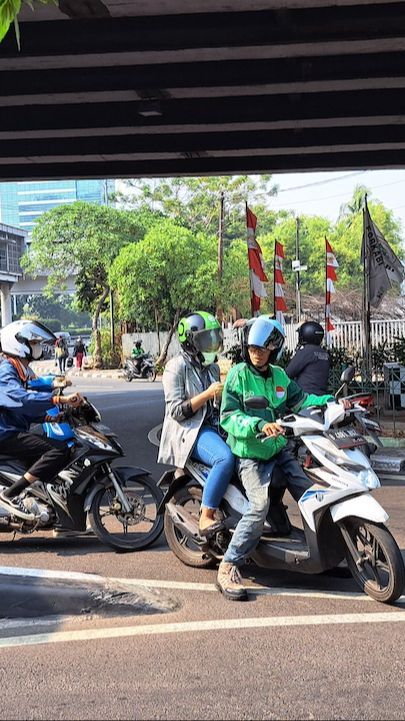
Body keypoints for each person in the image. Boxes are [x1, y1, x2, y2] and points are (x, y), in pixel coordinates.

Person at [217, 315, 349, 601]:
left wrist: (333, 402)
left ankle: (326, 553)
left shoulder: (279, 376)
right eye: (253, 348)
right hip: (251, 455)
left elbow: (302, 400)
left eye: (262, 349)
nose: (256, 353)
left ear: (273, 349)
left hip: (279, 450)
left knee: (313, 496)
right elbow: (228, 416)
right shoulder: (238, 375)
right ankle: (229, 564)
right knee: (259, 506)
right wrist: (257, 424)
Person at [158, 311, 235, 536]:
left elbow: (220, 403)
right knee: (224, 458)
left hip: (215, 426)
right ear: (190, 341)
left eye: (213, 338)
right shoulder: (175, 367)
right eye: (205, 339)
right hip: (191, 430)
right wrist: (207, 394)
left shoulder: (211, 367)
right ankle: (206, 515)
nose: (211, 344)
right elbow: (176, 411)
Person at [0, 319, 84, 520]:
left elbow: (24, 407)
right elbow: (21, 399)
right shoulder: (6, 370)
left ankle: (51, 512)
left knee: (47, 460)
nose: (36, 347)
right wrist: (58, 398)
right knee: (58, 450)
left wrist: (57, 417)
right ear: (18, 344)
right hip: (5, 434)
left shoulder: (20, 369)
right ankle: (10, 494)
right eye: (32, 343)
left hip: (12, 429)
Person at [285, 321, 331, 395]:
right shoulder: (325, 354)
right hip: (321, 396)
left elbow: (288, 373)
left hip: (305, 398)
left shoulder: (305, 352)